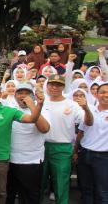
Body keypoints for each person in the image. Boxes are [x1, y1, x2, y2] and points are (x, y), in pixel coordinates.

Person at [0, 81, 42, 204]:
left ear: (0, 94)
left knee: (0, 191)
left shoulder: (10, 111)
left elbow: (32, 119)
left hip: (0, 159)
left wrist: (39, 105)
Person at [41, 74, 93, 204]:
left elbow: (88, 122)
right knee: (38, 184)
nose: (55, 87)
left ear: (63, 87)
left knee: (61, 185)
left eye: (58, 85)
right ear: (47, 86)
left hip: (62, 148)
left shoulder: (72, 104)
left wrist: (86, 108)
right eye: (52, 84)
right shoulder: (41, 102)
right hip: (40, 147)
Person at [7, 83, 49, 204]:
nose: (23, 96)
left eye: (27, 94)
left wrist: (33, 106)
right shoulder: (10, 109)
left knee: (30, 197)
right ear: (15, 95)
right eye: (20, 93)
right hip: (10, 160)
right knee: (9, 195)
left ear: (33, 96)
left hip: (32, 161)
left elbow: (45, 128)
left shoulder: (42, 109)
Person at [77, 82, 108, 203]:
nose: (105, 95)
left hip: (104, 157)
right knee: (86, 189)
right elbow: (84, 129)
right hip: (85, 154)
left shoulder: (87, 109)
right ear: (96, 94)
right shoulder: (91, 109)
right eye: (102, 92)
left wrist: (85, 108)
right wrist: (76, 151)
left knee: (102, 192)